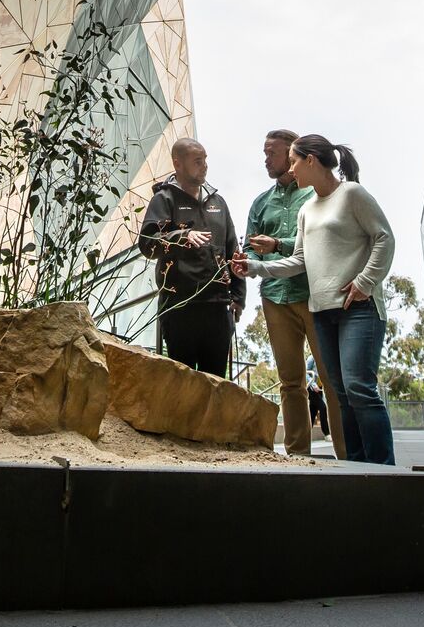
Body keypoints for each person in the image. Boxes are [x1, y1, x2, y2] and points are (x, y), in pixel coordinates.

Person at [232, 134, 396, 464]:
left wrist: (365, 282)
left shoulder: (352, 194)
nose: (290, 168)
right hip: (321, 311)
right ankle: (356, 466)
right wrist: (254, 266)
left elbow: (384, 238)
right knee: (342, 392)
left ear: (310, 160)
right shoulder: (307, 210)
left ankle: (384, 470)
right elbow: (299, 260)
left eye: (292, 160)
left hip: (357, 308)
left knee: (357, 389)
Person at [244, 128, 347, 458]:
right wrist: (246, 261)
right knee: (290, 383)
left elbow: (316, 246)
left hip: (315, 296)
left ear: (293, 157)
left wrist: (277, 246)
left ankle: (347, 456)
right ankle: (298, 456)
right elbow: (252, 250)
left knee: (331, 380)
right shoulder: (260, 203)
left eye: (271, 153)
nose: (265, 159)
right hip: (275, 298)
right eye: (265, 152)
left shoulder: (314, 195)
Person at [138, 137, 245, 374]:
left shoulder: (218, 203)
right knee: (184, 385)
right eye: (198, 161)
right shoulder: (164, 199)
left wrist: (238, 296)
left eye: (205, 160)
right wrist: (181, 237)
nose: (204, 165)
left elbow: (232, 251)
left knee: (216, 385)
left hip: (218, 307)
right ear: (178, 164)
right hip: (179, 308)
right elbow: (147, 244)